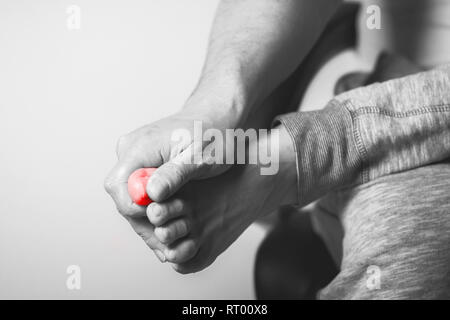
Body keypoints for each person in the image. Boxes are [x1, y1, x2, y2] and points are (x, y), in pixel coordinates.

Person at [104, 0, 450, 299]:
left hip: (389, 126)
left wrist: (295, 156)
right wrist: (210, 110)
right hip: (382, 95)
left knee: (402, 245)